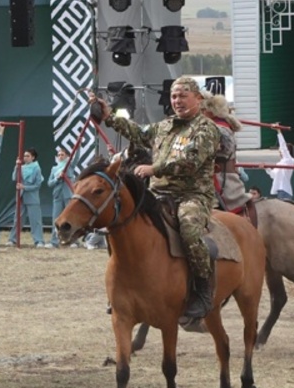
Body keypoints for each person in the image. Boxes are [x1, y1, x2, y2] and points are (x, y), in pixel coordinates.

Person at [93, 76, 221, 331]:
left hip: (192, 195)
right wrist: (108, 117)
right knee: (120, 225)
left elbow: (191, 161)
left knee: (189, 230)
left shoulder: (206, 128)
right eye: (174, 97)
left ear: (198, 98)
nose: (177, 101)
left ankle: (203, 290)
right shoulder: (164, 126)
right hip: (159, 194)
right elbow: (138, 133)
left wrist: (155, 168)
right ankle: (124, 288)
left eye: (183, 96)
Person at [203, 93, 249, 215]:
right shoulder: (215, 126)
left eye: (202, 110)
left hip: (220, 180)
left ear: (210, 111)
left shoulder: (217, 129)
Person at [11, 149, 46, 247]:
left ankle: (39, 240)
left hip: (32, 197)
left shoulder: (37, 168)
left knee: (35, 220)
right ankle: (13, 239)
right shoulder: (21, 167)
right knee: (17, 219)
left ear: (33, 157)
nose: (25, 158)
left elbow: (37, 185)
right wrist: (16, 166)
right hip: (21, 196)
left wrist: (24, 187)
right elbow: (14, 178)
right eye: (24, 156)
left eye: (27, 156)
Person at [48, 146, 79, 244]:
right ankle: (54, 241)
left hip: (68, 195)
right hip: (57, 195)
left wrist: (79, 147)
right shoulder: (54, 168)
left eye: (62, 155)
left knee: (71, 218)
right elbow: (49, 183)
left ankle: (74, 241)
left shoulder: (69, 166)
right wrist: (57, 178)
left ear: (67, 156)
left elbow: (77, 158)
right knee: (56, 218)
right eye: (59, 155)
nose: (60, 157)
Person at [266, 134, 294, 200]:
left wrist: (279, 132)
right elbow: (273, 175)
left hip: (285, 190)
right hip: (279, 190)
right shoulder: (279, 163)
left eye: (280, 151)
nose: (279, 152)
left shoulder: (290, 160)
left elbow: (283, 147)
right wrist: (266, 168)